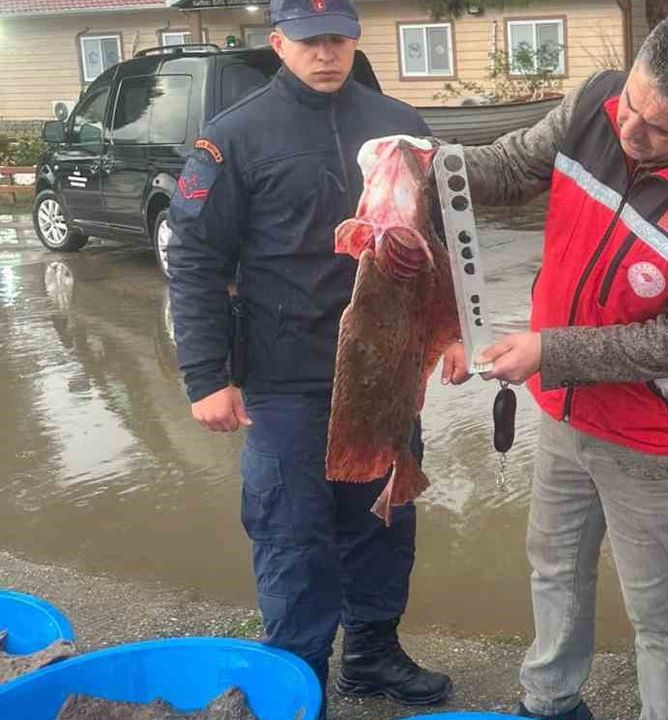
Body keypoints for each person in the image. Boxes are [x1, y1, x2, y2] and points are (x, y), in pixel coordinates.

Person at [439, 12, 668, 720]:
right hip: (564, 411)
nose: (628, 129)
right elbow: (507, 168)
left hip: (653, 439)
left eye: (658, 128)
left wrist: (549, 350)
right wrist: (425, 161)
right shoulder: (595, 102)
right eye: (631, 102)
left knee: (658, 608)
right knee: (555, 570)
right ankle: (551, 701)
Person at [166, 0, 454, 712]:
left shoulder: (402, 129)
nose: (326, 53)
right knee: (293, 536)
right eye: (309, 41)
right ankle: (300, 682)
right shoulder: (234, 137)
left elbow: (443, 246)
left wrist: (453, 335)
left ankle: (373, 657)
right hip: (286, 377)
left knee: (384, 520)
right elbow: (195, 262)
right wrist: (207, 378)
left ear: (357, 42)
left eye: (339, 40)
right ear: (278, 44)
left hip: (384, 372)